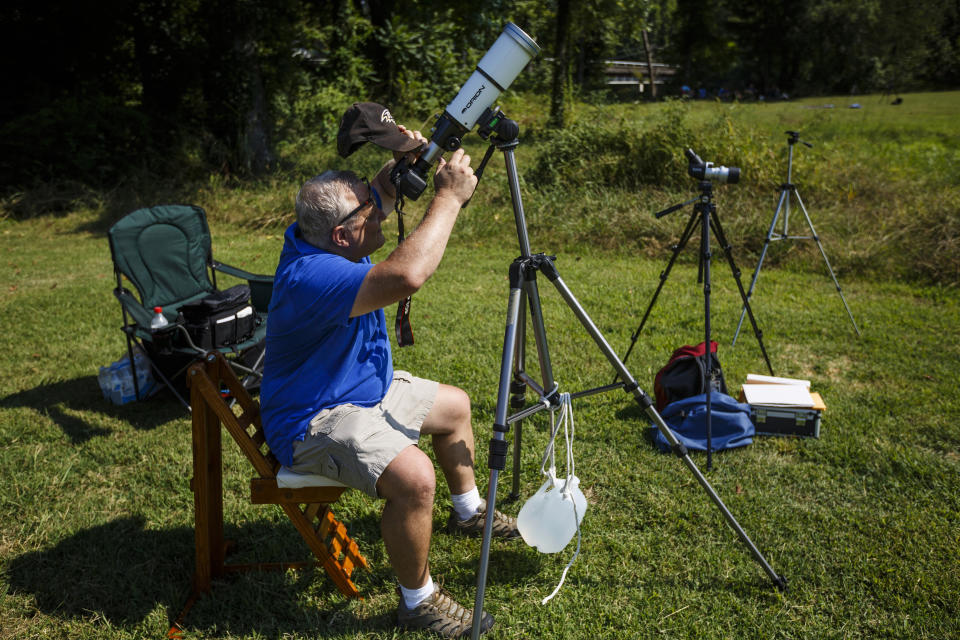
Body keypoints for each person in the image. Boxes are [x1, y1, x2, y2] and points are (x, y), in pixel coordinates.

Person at [260, 109, 518, 639]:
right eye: (370, 215)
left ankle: (469, 512)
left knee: (455, 407)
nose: (380, 214)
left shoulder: (321, 237)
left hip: (360, 391)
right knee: (415, 479)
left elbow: (378, 192)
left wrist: (406, 161)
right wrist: (447, 197)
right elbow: (408, 274)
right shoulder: (313, 275)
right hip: (316, 418)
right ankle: (417, 602)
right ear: (342, 235)